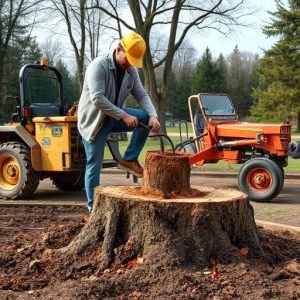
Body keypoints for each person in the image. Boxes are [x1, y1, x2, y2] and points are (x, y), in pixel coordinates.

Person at [77, 32, 160, 213]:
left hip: (113, 117)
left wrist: (153, 115)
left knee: (144, 117)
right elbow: (98, 99)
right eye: (128, 59)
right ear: (118, 50)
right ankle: (93, 209)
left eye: (133, 61)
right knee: (94, 164)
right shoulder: (98, 66)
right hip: (94, 122)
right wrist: (123, 115)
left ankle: (129, 159)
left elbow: (141, 94)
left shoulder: (131, 70)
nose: (129, 64)